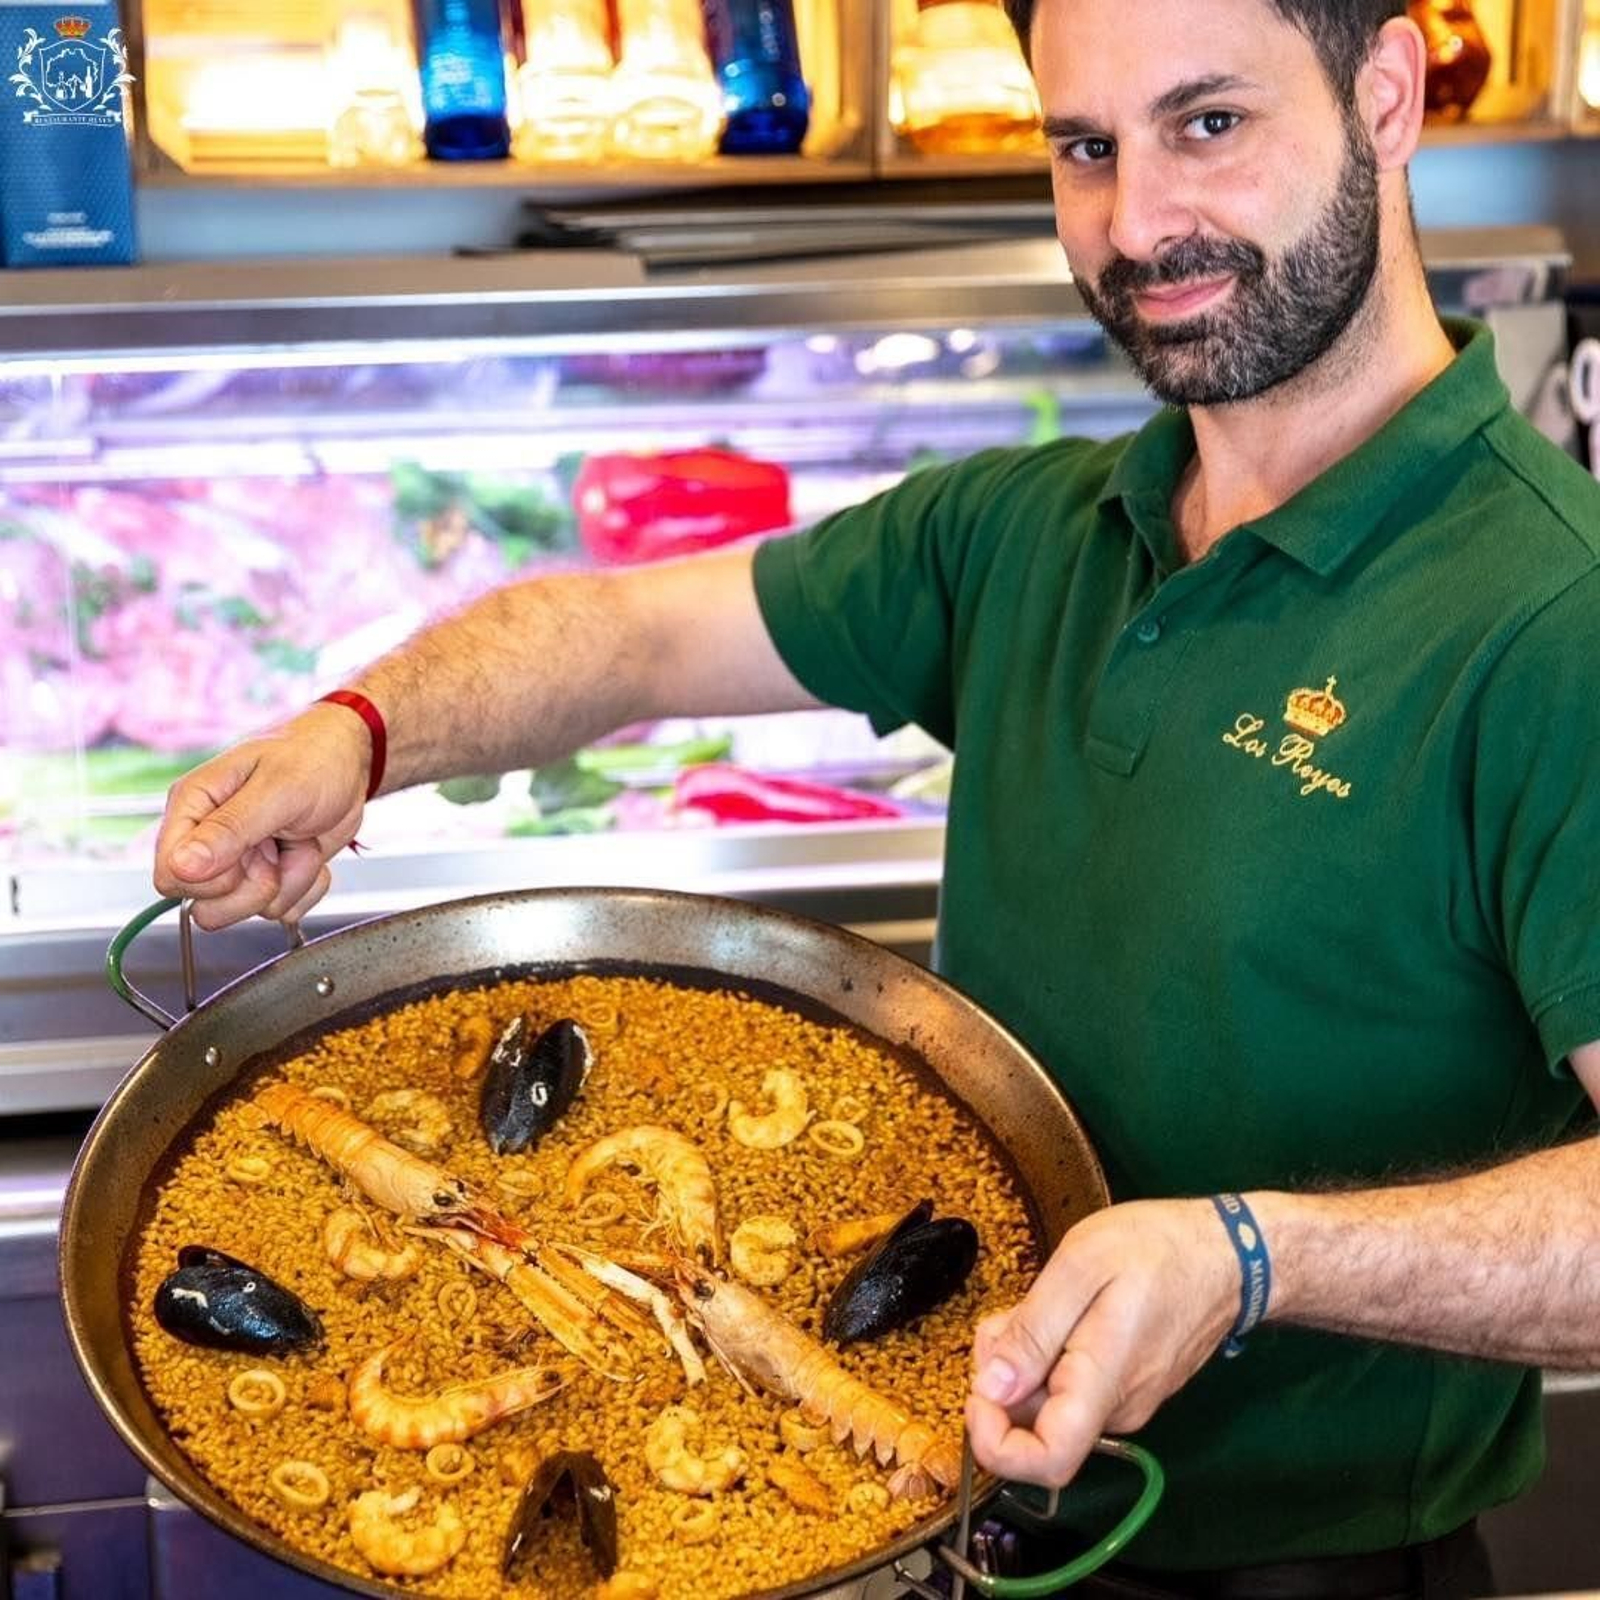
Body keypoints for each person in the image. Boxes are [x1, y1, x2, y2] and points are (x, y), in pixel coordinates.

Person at [153, 1, 1600, 1595]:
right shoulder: (1029, 529)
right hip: (953, 1507)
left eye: (1209, 125)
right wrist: (362, 733)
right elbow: (631, 634)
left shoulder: (1552, 618)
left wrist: (1252, 1259)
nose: (1136, 222)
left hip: (1310, 1567)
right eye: (1085, 147)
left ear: (1384, 95)